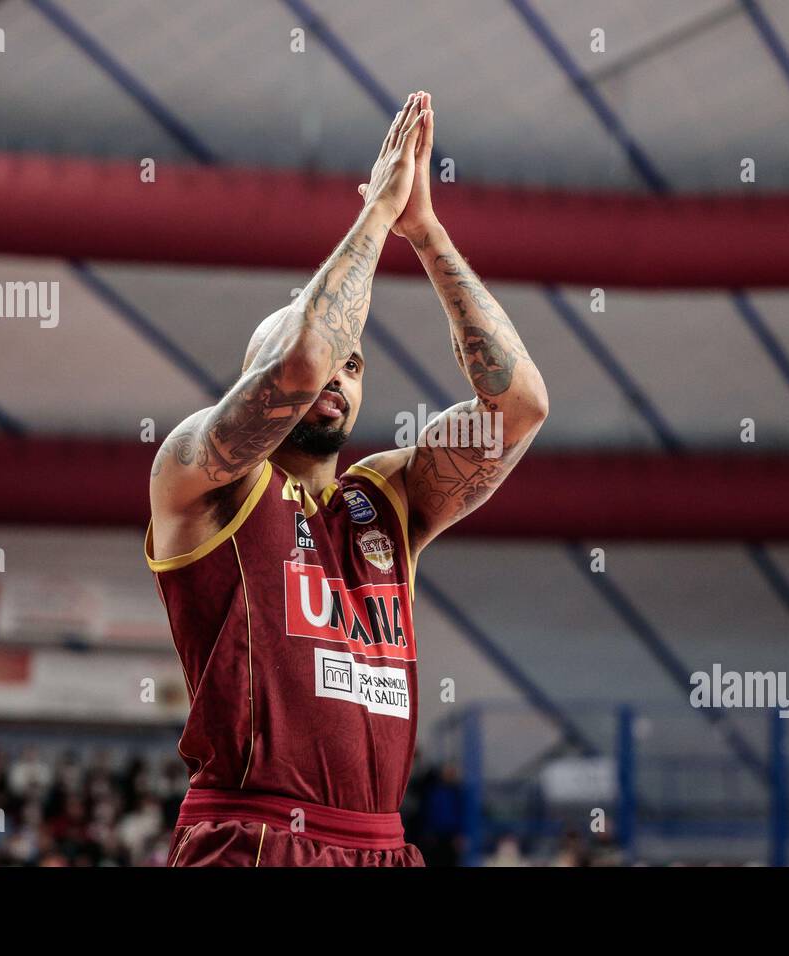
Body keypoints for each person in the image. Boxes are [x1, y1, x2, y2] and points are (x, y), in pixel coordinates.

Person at [147, 91, 548, 867]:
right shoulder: (200, 475)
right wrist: (377, 211)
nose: (339, 368)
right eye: (334, 349)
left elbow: (521, 404)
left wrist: (425, 232)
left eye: (356, 363)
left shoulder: (386, 499)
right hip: (256, 836)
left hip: (381, 845)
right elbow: (300, 362)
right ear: (251, 378)